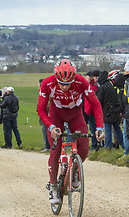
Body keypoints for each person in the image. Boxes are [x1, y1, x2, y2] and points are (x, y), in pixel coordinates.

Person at [37, 59, 104, 204]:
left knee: (84, 148)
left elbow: (96, 104)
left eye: (67, 84)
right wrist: (50, 126)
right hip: (56, 115)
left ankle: (74, 171)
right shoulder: (47, 83)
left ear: (73, 79)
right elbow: (41, 109)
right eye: (61, 83)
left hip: (75, 115)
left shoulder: (81, 82)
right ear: (56, 78)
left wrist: (99, 127)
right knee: (55, 151)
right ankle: (53, 186)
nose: (64, 87)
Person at [97, 70, 124, 149]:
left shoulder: (102, 87)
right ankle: (123, 145)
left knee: (108, 129)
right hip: (115, 110)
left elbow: (99, 101)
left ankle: (108, 146)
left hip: (107, 111)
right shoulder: (112, 86)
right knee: (117, 129)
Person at [84, 71, 99, 150]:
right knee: (92, 128)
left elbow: (91, 102)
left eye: (86, 76)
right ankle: (96, 144)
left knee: (93, 129)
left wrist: (87, 112)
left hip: (91, 112)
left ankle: (95, 144)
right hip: (89, 111)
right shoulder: (90, 85)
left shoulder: (93, 87)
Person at [38, 79, 50, 153]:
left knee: (45, 130)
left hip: (47, 115)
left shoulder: (45, 92)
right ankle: (48, 146)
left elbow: (47, 105)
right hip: (46, 114)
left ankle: (47, 147)